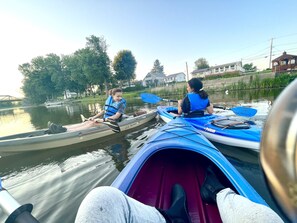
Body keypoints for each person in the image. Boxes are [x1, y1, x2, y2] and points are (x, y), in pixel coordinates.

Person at [75, 80, 297, 223]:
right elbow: (210, 111)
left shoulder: (187, 97)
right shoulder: (206, 97)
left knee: (100, 200)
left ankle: (170, 218)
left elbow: (180, 112)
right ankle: (219, 193)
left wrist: (180, 105)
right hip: (206, 119)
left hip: (190, 120)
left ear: (190, 87)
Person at [47, 88, 126, 134]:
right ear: (112, 95)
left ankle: (64, 131)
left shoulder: (121, 104)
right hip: (105, 120)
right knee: (87, 122)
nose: (120, 98)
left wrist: (102, 120)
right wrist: (94, 117)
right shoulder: (110, 101)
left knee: (91, 124)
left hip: (113, 122)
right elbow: (103, 111)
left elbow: (116, 116)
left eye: (121, 96)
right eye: (117, 96)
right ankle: (60, 128)